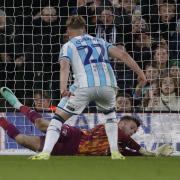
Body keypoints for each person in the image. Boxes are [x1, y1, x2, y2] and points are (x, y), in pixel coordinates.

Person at [9, 15, 146, 160]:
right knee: (110, 117)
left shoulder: (69, 45)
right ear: (85, 29)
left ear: (68, 31)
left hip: (85, 86)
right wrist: (141, 75)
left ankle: (45, 153)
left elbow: (64, 66)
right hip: (108, 85)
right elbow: (123, 55)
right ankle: (115, 153)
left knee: (57, 120)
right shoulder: (100, 41)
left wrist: (63, 88)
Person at [0, 87, 173, 157]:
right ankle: (18, 104)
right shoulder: (111, 127)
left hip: (69, 151)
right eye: (132, 127)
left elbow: (131, 153)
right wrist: (143, 150)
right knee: (42, 124)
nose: (132, 132)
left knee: (22, 140)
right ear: (120, 123)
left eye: (134, 131)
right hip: (75, 136)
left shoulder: (117, 148)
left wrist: (153, 154)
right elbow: (126, 139)